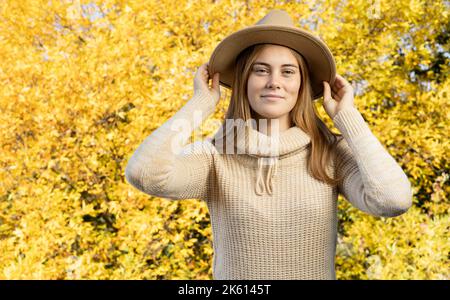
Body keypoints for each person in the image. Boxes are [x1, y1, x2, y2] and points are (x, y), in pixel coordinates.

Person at [125, 9, 412, 280]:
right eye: (261, 70)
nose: (274, 82)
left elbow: (393, 200)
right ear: (243, 81)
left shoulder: (329, 152)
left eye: (288, 72)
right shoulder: (215, 156)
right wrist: (199, 105)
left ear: (302, 84)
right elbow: (144, 173)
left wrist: (349, 119)